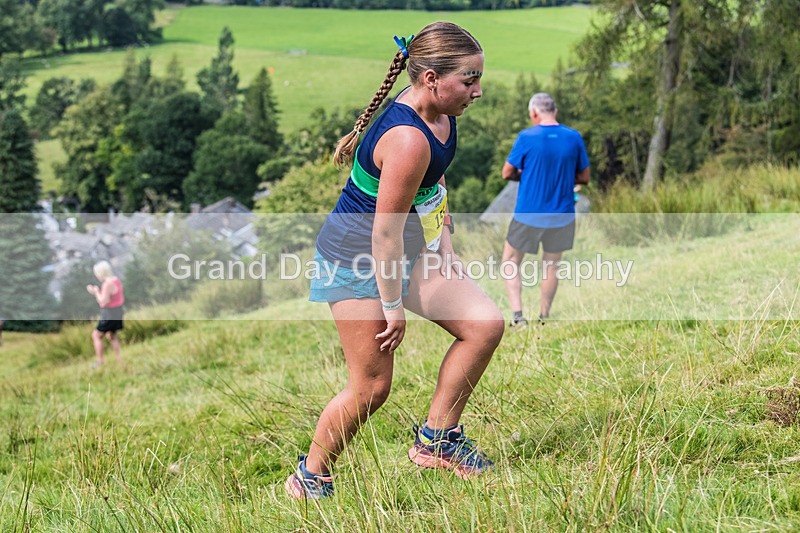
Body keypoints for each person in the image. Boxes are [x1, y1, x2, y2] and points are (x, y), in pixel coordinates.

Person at [285, 22, 505, 500]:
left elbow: (434, 185)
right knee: (371, 388)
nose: (478, 91)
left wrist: (445, 246)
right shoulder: (407, 140)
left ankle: (438, 440)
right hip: (356, 261)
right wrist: (392, 305)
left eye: (477, 78)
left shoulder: (442, 116)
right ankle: (310, 476)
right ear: (430, 79)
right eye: (469, 80)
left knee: (484, 323)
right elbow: (383, 233)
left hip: (403, 251)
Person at [501, 93, 590, 328]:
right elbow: (585, 177)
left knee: (510, 261)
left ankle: (518, 317)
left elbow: (507, 173)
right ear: (555, 111)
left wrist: (526, 175)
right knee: (551, 266)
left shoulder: (526, 137)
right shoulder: (574, 137)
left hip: (528, 213)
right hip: (562, 214)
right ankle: (544, 317)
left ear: (534, 113)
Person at [86, 260, 124, 368]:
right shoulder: (116, 280)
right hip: (118, 311)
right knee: (112, 335)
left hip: (109, 313)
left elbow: (103, 301)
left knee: (96, 335)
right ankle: (119, 358)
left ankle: (99, 361)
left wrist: (95, 291)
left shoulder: (107, 284)